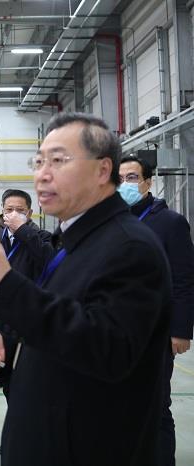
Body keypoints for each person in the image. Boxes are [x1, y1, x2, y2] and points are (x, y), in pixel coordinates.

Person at [0, 113, 172, 466]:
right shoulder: (76, 241)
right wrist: (14, 348)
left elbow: (106, 349)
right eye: (39, 162)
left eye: (58, 161)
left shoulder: (130, 248)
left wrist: (7, 283)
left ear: (102, 170)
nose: (42, 174)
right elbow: (72, 324)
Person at [118, 155, 194, 466]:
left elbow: (184, 279)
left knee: (156, 405)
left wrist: (181, 330)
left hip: (156, 331)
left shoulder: (170, 223)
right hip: (116, 328)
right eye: (119, 179)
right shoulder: (112, 220)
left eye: (132, 178)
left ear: (148, 182)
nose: (125, 184)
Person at [0, 190, 52, 390]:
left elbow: (48, 260)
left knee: (29, 380)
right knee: (3, 373)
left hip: (28, 319)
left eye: (20, 210)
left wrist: (22, 231)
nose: (14, 214)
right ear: (2, 212)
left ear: (30, 213)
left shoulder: (41, 238)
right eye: (9, 210)